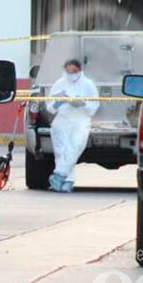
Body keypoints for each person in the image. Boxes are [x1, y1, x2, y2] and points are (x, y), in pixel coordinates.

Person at [45, 58, 99, 192]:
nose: (71, 74)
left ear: (80, 70)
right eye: (68, 71)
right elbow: (50, 107)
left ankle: (59, 175)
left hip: (81, 121)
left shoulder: (88, 85)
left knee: (74, 147)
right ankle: (66, 182)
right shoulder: (59, 84)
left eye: (74, 71)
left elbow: (94, 106)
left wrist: (82, 104)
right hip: (62, 120)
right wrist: (59, 102)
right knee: (61, 151)